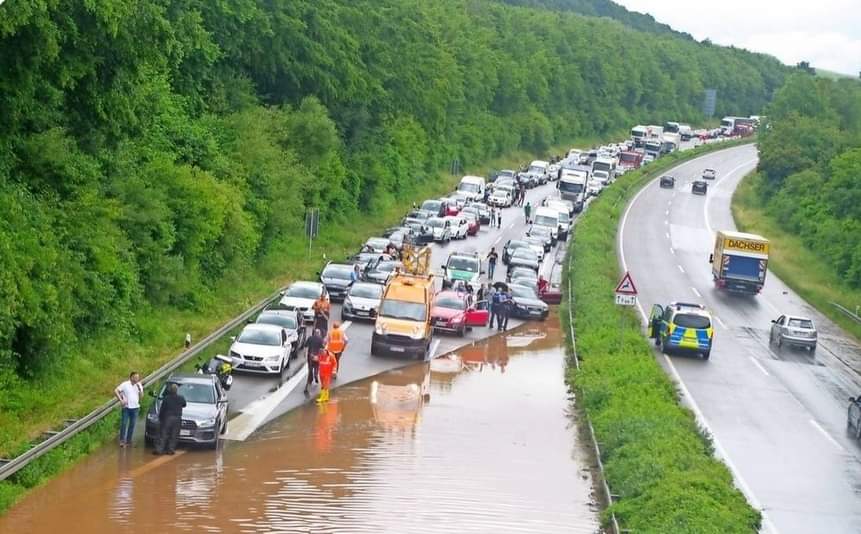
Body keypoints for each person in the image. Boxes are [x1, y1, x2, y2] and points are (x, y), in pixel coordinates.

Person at [154, 383, 186, 455]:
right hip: (177, 418)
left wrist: (160, 418)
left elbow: (162, 409)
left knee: (163, 434)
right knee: (174, 435)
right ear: (177, 390)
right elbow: (184, 404)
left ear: (170, 390)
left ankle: (159, 449)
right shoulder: (181, 398)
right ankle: (170, 450)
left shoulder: (166, 398)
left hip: (167, 418)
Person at [115, 371, 143, 448]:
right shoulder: (125, 384)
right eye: (136, 377)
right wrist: (121, 400)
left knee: (132, 424)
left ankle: (128, 440)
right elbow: (116, 390)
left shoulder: (139, 385)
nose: (137, 379)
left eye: (138, 377)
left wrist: (140, 390)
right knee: (124, 423)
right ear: (131, 377)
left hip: (135, 407)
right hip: (126, 407)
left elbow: (141, 397)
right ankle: (122, 441)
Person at [304, 328, 325, 394]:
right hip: (317, 356)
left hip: (310, 356)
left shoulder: (310, 338)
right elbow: (322, 349)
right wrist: (322, 357)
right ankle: (316, 374)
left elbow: (305, 346)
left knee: (310, 369)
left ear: (314, 333)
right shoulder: (321, 339)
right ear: (319, 334)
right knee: (316, 366)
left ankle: (310, 380)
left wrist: (304, 353)